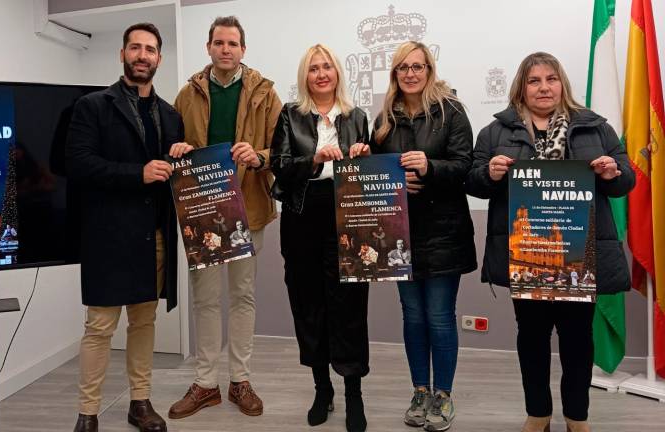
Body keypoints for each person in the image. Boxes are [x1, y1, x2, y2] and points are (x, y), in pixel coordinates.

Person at [466, 52, 634, 432]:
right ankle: (538, 412)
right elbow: (472, 181)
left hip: (579, 255)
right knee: (533, 339)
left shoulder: (596, 128)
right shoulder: (495, 133)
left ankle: (577, 417)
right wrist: (489, 172)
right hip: (527, 256)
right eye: (534, 80)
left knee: (578, 340)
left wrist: (613, 171)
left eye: (551, 79)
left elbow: (626, 183)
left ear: (562, 83)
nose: (544, 87)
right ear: (521, 88)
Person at [66, 22, 191, 432]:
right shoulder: (92, 106)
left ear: (159, 58)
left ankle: (140, 403)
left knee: (144, 322)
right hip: (106, 236)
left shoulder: (172, 115)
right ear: (122, 54)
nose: (143, 55)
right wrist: (136, 173)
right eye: (135, 48)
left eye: (150, 50)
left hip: (153, 237)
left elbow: (174, 176)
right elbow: (79, 165)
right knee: (99, 327)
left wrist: (183, 157)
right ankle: (88, 412)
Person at [169, 15, 282, 420]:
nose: (226, 49)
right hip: (202, 212)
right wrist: (178, 148)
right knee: (205, 299)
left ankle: (240, 380)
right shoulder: (187, 95)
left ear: (243, 49)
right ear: (209, 47)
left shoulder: (266, 95)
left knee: (243, 296)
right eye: (219, 42)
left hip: (248, 209)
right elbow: (174, 146)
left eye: (233, 43)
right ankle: (205, 383)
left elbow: (280, 151)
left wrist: (260, 156)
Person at [369, 41, 476, 431]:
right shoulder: (383, 120)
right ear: (394, 74)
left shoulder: (451, 111)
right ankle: (419, 391)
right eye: (403, 68)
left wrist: (429, 167)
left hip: (444, 231)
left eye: (418, 67)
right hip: (400, 235)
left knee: (439, 318)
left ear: (429, 70)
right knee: (413, 317)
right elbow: (374, 174)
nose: (411, 74)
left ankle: (443, 395)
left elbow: (466, 167)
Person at [271, 43, 370, 432]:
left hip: (347, 215)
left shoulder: (357, 116)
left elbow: (371, 172)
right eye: (314, 68)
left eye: (327, 66)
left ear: (337, 73)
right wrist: (312, 159)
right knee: (309, 306)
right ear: (305, 76)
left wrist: (362, 152)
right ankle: (321, 389)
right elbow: (279, 166)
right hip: (302, 216)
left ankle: (353, 395)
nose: (321, 73)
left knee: (349, 307)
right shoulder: (290, 116)